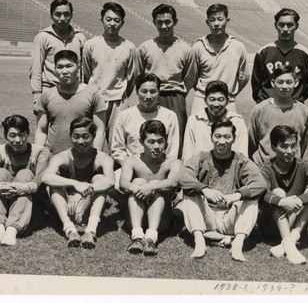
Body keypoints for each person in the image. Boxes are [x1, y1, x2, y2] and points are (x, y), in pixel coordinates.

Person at [179, 119, 267, 262]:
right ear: (211, 137)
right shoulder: (201, 157)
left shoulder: (241, 161)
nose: (221, 141)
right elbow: (183, 176)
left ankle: (238, 243)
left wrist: (237, 195)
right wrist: (205, 190)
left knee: (252, 197)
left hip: (231, 220)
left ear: (233, 139)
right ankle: (199, 241)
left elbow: (260, 184)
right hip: (207, 218)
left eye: (227, 137)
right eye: (217, 136)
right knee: (189, 192)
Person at [259, 126, 308, 264]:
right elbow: (259, 192)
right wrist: (281, 201)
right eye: (284, 147)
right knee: (278, 193)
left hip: (292, 219)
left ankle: (290, 241)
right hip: (269, 225)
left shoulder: (302, 165)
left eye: (293, 146)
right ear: (273, 147)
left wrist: (299, 199)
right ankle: (289, 245)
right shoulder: (265, 168)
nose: (290, 151)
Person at [41, 117, 115, 248]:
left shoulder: (103, 158)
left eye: (85, 136)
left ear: (94, 136)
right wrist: (74, 184)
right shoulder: (62, 157)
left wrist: (83, 192)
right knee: (55, 184)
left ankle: (90, 231)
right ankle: (70, 230)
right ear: (70, 136)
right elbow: (46, 177)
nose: (80, 141)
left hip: (87, 207)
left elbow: (110, 181)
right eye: (76, 136)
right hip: (63, 206)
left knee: (99, 179)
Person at [0, 115, 50, 246]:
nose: (17, 140)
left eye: (21, 134)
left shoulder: (40, 152)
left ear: (28, 134)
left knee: (25, 173)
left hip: (31, 203)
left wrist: (23, 187)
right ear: (5, 136)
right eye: (12, 135)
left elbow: (41, 179)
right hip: (4, 199)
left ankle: (12, 230)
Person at [138, 4, 197, 156]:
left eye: (168, 22)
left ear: (175, 22)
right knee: (149, 134)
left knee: (176, 137)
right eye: (159, 22)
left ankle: (174, 170)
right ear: (154, 23)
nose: (164, 26)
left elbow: (191, 76)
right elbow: (139, 75)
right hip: (152, 96)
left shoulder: (185, 49)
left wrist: (181, 91)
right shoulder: (145, 47)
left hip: (175, 97)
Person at [120, 120, 181, 256]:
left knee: (158, 188)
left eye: (160, 141)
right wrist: (139, 189)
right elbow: (123, 183)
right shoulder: (132, 161)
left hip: (161, 220)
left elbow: (173, 182)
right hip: (137, 218)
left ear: (166, 141)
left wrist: (152, 186)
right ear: (141, 142)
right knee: (138, 181)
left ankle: (151, 239)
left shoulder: (173, 162)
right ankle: (137, 237)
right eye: (151, 142)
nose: (157, 146)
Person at [83, 2, 137, 144]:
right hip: (95, 99)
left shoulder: (129, 47)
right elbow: (87, 73)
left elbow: (131, 78)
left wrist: (121, 93)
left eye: (116, 20)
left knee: (117, 142)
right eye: (108, 19)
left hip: (118, 101)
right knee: (92, 140)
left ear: (122, 23)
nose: (112, 23)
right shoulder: (90, 45)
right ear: (102, 20)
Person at [34, 50, 107, 155]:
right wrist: (38, 156)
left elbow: (100, 130)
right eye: (60, 67)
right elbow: (41, 130)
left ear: (78, 67)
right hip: (53, 157)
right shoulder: (46, 95)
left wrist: (95, 157)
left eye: (69, 66)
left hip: (83, 159)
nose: (64, 71)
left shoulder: (93, 94)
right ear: (54, 69)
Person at [30, 0, 86, 112]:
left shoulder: (80, 37)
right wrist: (37, 97)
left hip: (75, 91)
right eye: (58, 14)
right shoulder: (43, 37)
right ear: (51, 15)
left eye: (66, 14)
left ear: (71, 15)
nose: (62, 19)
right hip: (50, 90)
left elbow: (84, 69)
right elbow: (35, 69)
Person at [111, 73, 179, 167]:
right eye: (144, 91)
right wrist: (133, 166)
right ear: (137, 91)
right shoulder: (124, 116)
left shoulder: (170, 116)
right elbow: (117, 149)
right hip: (132, 168)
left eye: (152, 91)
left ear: (159, 92)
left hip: (161, 169)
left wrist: (163, 168)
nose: (148, 96)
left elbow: (172, 151)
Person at [191, 4, 249, 114]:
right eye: (212, 20)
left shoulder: (238, 47)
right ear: (207, 22)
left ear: (227, 21)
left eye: (220, 19)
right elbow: (193, 77)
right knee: (199, 130)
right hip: (202, 99)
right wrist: (205, 93)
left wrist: (229, 93)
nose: (216, 24)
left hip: (227, 100)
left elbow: (244, 77)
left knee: (226, 131)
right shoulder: (198, 47)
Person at [248, 65, 308, 166]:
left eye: (289, 82)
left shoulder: (304, 111)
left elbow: (302, 143)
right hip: (263, 168)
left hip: (291, 167)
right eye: (280, 82)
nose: (285, 86)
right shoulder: (259, 109)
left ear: (296, 83)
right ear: (273, 83)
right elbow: (252, 142)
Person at [251, 8, 308, 104]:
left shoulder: (305, 54)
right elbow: (256, 84)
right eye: (281, 25)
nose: (285, 29)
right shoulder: (264, 52)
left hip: (294, 108)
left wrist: (296, 101)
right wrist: (264, 103)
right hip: (268, 107)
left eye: (290, 25)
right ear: (276, 25)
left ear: (296, 26)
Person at [183, 80, 248, 160]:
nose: (216, 104)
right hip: (199, 169)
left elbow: (242, 155)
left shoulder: (237, 121)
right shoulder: (194, 120)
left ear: (227, 101)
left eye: (220, 99)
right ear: (205, 100)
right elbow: (188, 155)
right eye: (212, 99)